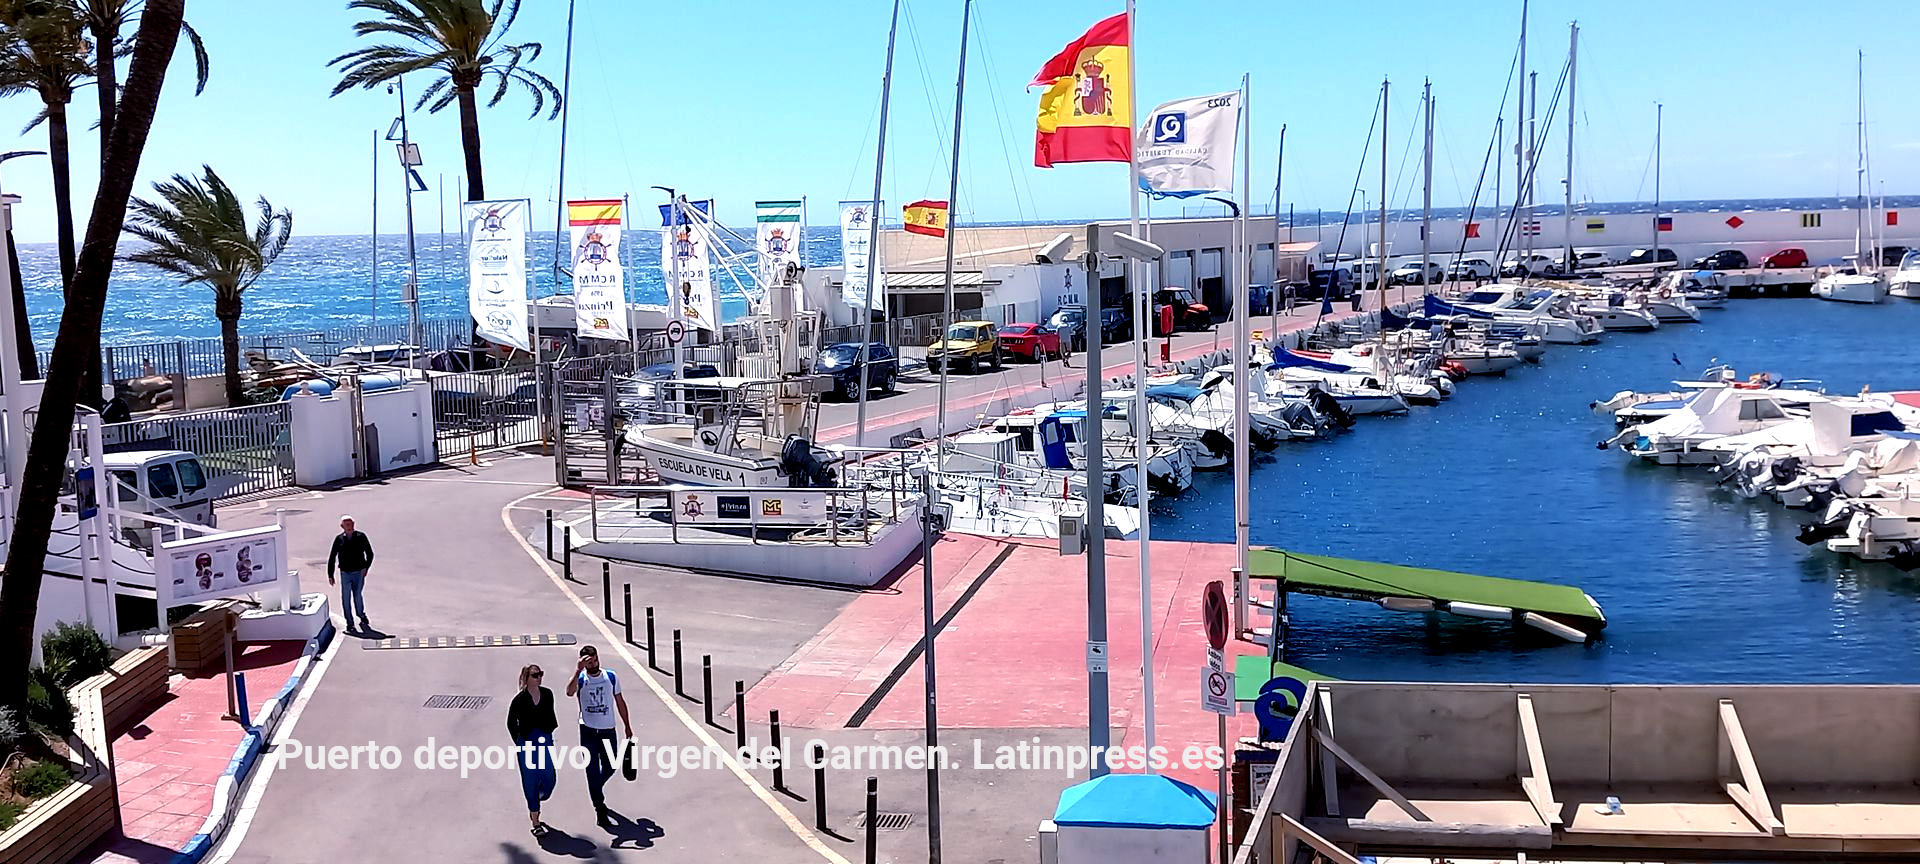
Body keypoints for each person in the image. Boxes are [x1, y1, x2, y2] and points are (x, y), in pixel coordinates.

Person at [566, 645, 631, 827]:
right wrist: (578, 670)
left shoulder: (610, 676)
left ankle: (595, 788)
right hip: (588, 732)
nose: (593, 664)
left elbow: (620, 701)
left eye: (595, 660)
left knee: (611, 766)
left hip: (608, 731)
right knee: (592, 771)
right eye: (589, 662)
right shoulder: (580, 679)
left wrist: (627, 725)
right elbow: (569, 692)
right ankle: (599, 808)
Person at [507, 664, 559, 837]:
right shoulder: (519, 700)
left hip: (544, 740)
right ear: (526, 678)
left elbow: (551, 715)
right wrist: (519, 742)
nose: (539, 678)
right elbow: (511, 722)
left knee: (550, 779)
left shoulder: (548, 694)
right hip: (526, 743)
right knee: (530, 780)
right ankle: (535, 819)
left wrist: (549, 732)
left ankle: (537, 798)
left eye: (540, 674)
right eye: (535, 675)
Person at [326, 515, 375, 633]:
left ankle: (361, 615)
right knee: (346, 598)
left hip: (359, 572)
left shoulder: (361, 537)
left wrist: (366, 567)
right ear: (342, 526)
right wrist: (330, 574)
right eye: (346, 524)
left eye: (351, 524)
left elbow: (370, 553)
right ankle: (350, 623)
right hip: (345, 573)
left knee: (357, 595)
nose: (349, 526)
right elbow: (332, 557)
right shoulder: (339, 539)